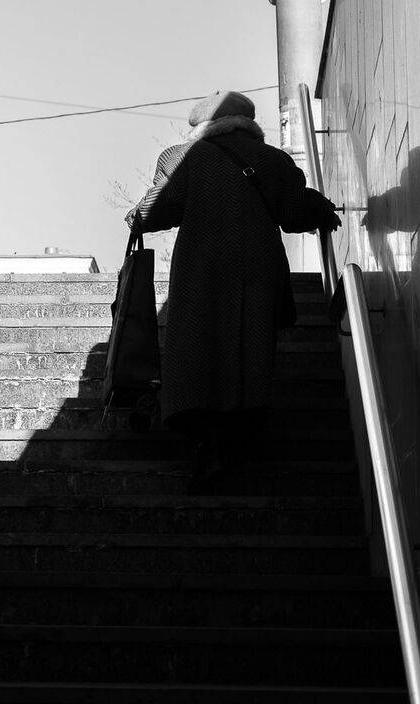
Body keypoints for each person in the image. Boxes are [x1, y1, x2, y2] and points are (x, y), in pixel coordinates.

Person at [127, 90, 340, 491]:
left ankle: (206, 446)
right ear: (248, 122)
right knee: (249, 349)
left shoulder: (181, 158)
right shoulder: (274, 160)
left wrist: (135, 216)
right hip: (258, 272)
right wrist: (321, 208)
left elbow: (154, 210)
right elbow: (295, 213)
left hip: (200, 274)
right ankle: (239, 441)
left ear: (200, 126)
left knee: (197, 351)